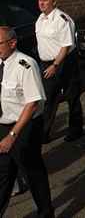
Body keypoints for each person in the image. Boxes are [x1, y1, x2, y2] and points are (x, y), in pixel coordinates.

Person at [0, 26, 54, 218]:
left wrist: (12, 135)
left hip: (24, 127)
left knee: (32, 173)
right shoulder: (0, 63)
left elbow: (32, 104)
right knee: (3, 174)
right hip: (3, 124)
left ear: (12, 43)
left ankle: (46, 213)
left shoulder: (26, 65)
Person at [35, 0, 83, 143]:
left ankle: (76, 129)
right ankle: (44, 133)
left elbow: (66, 46)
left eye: (45, 0)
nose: (41, 3)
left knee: (72, 96)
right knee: (48, 98)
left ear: (54, 2)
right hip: (46, 63)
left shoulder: (62, 19)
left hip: (63, 62)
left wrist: (55, 65)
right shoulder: (40, 19)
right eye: (40, 0)